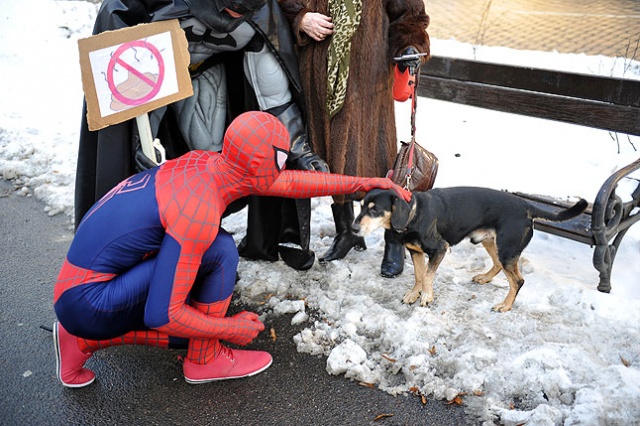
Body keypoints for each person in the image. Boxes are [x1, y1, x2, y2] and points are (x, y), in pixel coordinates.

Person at [53, 112, 411, 388]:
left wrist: (367, 184)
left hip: (80, 287)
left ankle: (78, 340)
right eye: (282, 158)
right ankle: (202, 359)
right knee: (219, 253)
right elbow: (163, 315)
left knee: (213, 251)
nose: (286, 166)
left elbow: (290, 182)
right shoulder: (198, 212)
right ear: (262, 166)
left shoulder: (208, 164)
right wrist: (225, 328)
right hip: (87, 303)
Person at [74, 0, 328, 272]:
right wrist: (135, 142)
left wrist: (300, 149)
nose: (236, 15)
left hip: (207, 75)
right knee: (142, 162)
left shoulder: (259, 16)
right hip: (152, 76)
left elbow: (275, 98)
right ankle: (135, 250)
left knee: (207, 158)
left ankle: (202, 245)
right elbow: (119, 22)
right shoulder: (151, 5)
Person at [278, 0, 431, 277]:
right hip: (318, 72)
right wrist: (300, 19)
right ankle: (347, 231)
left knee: (378, 159)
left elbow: (409, 14)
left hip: (368, 75)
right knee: (332, 159)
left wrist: (410, 47)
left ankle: (393, 240)